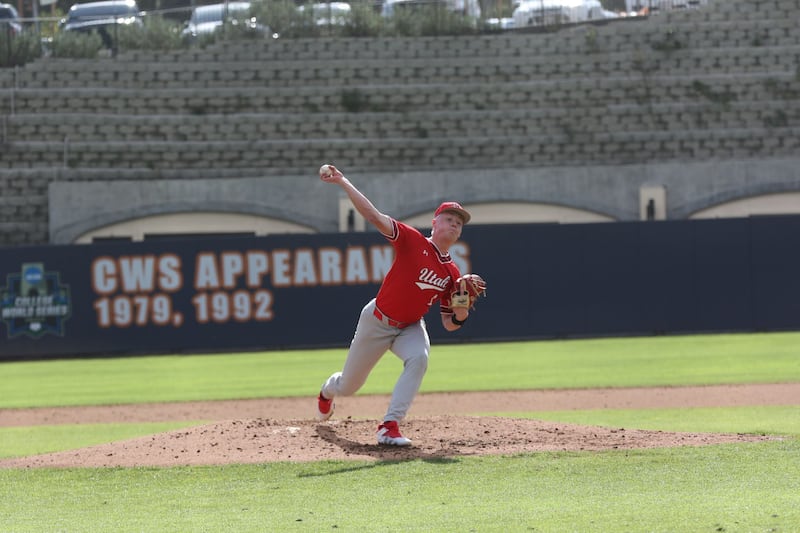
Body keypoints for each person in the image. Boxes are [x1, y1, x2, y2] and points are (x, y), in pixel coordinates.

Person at [315, 164, 477, 446]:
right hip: (377, 320)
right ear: (435, 222)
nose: (454, 224)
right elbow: (373, 216)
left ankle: (389, 425)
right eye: (449, 218)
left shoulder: (453, 273)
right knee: (349, 386)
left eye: (459, 223)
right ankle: (328, 390)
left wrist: (462, 307)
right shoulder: (413, 241)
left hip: (410, 326)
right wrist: (343, 182)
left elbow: (451, 323)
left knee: (420, 358)